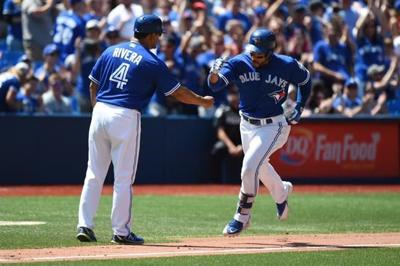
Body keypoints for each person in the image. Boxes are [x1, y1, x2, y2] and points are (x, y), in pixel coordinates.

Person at [76, 14, 214, 245]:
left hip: (100, 111)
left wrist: (97, 110)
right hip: (125, 114)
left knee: (94, 173)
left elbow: (93, 84)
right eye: (158, 35)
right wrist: (202, 101)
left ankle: (84, 225)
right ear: (150, 35)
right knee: (123, 179)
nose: (158, 40)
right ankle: (121, 231)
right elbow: (177, 93)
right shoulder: (151, 61)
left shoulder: (111, 50)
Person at [208, 27, 311, 236]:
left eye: (259, 54)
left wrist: (300, 106)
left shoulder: (286, 65)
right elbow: (216, 87)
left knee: (249, 166)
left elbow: (305, 80)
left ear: (270, 52)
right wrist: (214, 74)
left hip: (274, 125)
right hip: (246, 124)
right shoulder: (240, 62)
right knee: (259, 166)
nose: (254, 57)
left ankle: (242, 216)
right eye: (252, 52)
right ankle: (281, 192)